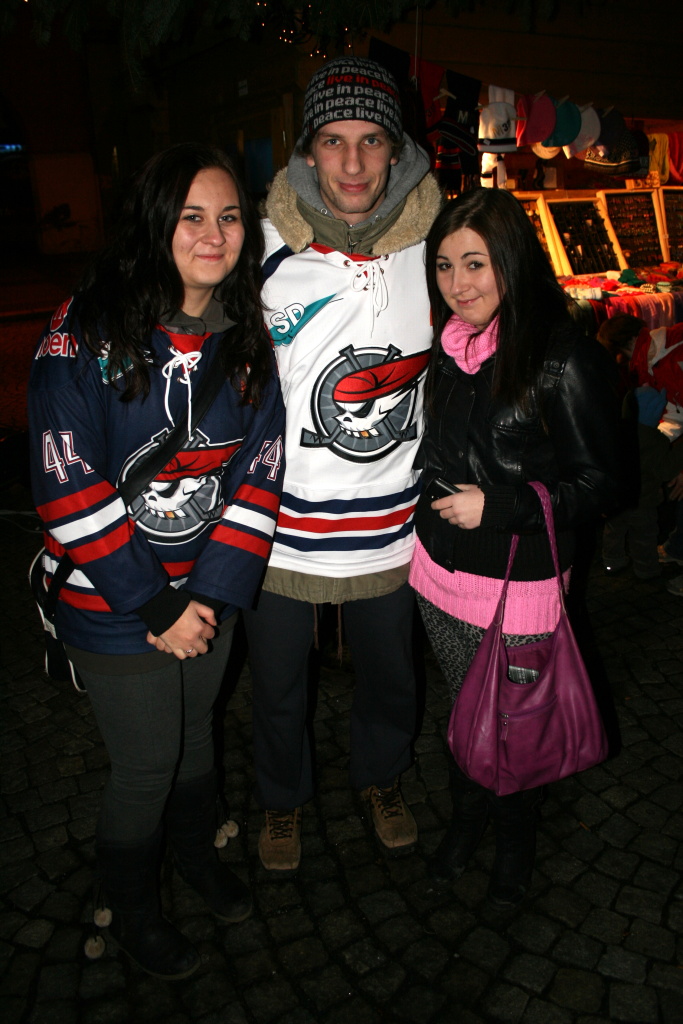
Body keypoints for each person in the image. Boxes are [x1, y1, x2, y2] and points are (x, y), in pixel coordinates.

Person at [28, 143, 285, 978]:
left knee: (197, 737)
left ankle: (197, 858)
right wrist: (157, 606)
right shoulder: (84, 332)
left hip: (208, 596)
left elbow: (259, 473)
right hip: (114, 604)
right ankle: (132, 907)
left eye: (229, 217)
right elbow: (67, 484)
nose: (213, 235)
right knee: (146, 765)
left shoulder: (246, 338)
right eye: (190, 217)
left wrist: (207, 597)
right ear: (153, 223)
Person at [242, 56, 442, 871]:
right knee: (276, 684)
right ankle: (280, 798)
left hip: (391, 526)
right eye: (333, 140)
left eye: (370, 141)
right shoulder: (259, 246)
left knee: (391, 676)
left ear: (397, 150)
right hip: (279, 526)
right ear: (307, 151)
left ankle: (380, 778)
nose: (353, 163)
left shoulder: (435, 247)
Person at [409, 188, 620, 909]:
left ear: (512, 261)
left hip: (516, 582)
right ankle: (466, 822)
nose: (457, 284)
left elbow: (604, 482)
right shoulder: (447, 350)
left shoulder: (562, 358)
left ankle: (512, 847)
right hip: (438, 573)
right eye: (444, 266)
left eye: (475, 263)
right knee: (462, 707)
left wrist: (501, 505)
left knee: (512, 724)